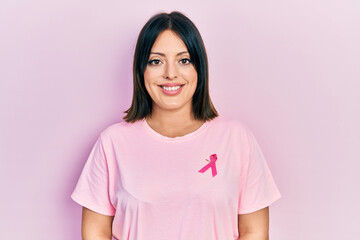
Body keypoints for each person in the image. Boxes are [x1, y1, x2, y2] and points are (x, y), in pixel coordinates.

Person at [71, 11, 281, 240]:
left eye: (184, 60)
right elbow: (95, 232)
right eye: (156, 61)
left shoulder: (237, 139)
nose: (170, 74)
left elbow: (254, 231)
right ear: (141, 70)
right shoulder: (112, 143)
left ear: (199, 68)